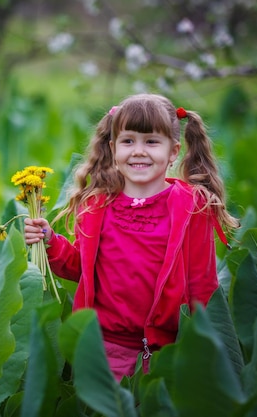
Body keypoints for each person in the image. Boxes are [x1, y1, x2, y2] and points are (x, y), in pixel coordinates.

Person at [24, 93, 239, 380]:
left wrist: (202, 352)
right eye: (128, 141)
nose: (139, 151)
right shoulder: (97, 205)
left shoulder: (193, 207)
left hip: (167, 355)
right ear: (113, 148)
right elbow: (83, 269)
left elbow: (202, 286)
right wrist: (50, 240)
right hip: (102, 350)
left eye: (151, 141)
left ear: (173, 151)